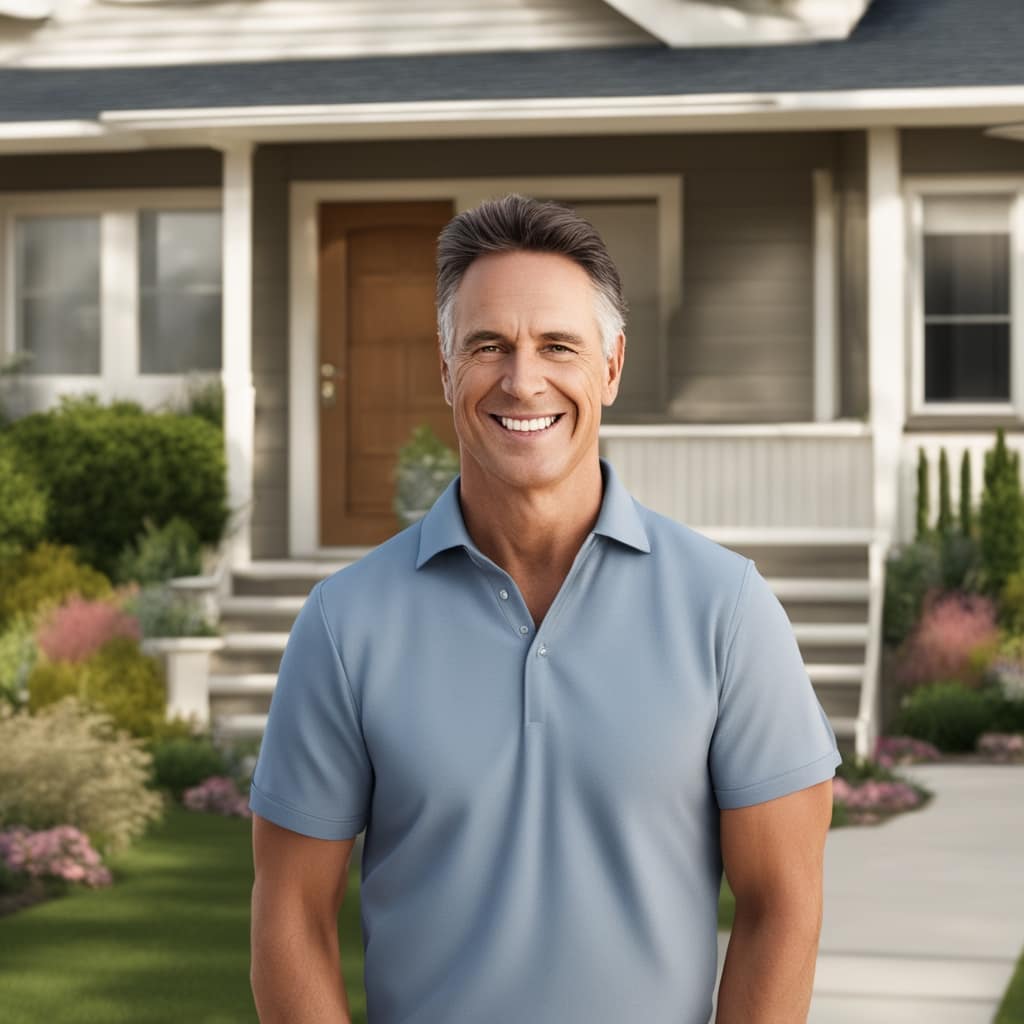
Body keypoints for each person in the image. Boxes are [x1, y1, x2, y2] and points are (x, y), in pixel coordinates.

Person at [249, 193, 842, 1024]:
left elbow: (783, 906)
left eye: (558, 345)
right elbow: (289, 913)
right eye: (488, 345)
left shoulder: (727, 609)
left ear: (611, 366)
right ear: (446, 367)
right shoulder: (345, 624)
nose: (523, 379)